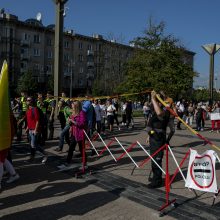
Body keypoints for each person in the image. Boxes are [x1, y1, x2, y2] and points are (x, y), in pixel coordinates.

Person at [146, 91, 170, 188]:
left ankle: (157, 181)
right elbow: (152, 122)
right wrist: (149, 135)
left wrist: (153, 98)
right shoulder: (155, 109)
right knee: (153, 159)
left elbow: (159, 113)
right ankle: (156, 176)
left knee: (157, 159)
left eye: (157, 101)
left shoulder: (165, 109)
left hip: (159, 138)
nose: (155, 103)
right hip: (153, 137)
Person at [58, 100, 87, 169]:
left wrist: (73, 121)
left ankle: (85, 164)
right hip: (74, 133)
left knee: (81, 149)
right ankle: (67, 162)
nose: (71, 105)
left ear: (76, 106)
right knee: (71, 148)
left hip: (80, 133)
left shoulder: (81, 113)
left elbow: (82, 124)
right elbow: (71, 123)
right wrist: (69, 121)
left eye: (73, 104)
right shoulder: (73, 113)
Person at [25, 97, 47, 163]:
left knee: (33, 145)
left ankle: (45, 154)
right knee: (33, 145)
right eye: (27, 100)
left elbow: (37, 120)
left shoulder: (35, 109)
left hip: (35, 130)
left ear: (32, 101)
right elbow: (29, 121)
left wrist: (36, 130)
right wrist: (27, 128)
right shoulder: (28, 110)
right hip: (30, 129)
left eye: (29, 100)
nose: (27, 101)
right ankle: (32, 158)